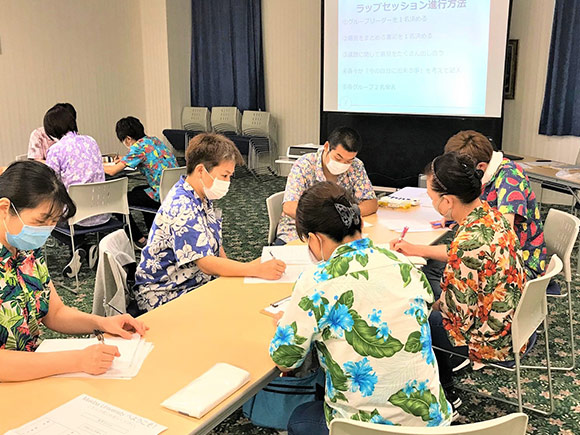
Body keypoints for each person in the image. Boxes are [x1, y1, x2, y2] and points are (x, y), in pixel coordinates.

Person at [270, 181, 452, 434]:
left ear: (315, 239)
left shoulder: (317, 281)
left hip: (362, 428)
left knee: (301, 419)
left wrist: (283, 326)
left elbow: (285, 361)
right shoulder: (404, 263)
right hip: (431, 423)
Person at [390, 153, 527, 407]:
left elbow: (457, 319)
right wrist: (417, 250)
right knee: (427, 287)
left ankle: (444, 392)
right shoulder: (490, 216)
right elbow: (462, 254)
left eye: (432, 199)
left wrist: (418, 303)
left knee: (410, 316)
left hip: (490, 339)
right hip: (514, 322)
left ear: (448, 202)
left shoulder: (467, 243)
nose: (433, 204)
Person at [0, 161, 148, 382]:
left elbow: (55, 313)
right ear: (5, 209)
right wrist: (77, 360)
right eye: (40, 221)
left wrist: (100, 323)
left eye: (52, 222)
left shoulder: (26, 251)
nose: (45, 231)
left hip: (34, 372)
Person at [134, 133, 286, 312]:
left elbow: (215, 246)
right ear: (200, 170)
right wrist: (252, 269)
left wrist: (236, 273)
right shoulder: (182, 205)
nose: (228, 182)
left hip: (192, 281)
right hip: (166, 292)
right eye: (224, 175)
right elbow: (205, 263)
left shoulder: (200, 195)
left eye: (230, 176)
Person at [445, 130, 546, 279]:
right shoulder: (489, 174)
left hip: (520, 266)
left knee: (444, 270)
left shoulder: (510, 177)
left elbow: (502, 234)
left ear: (481, 167)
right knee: (442, 267)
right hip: (499, 258)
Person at [275, 127, 377, 245]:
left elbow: (371, 202)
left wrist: (350, 213)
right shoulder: (304, 165)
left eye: (348, 161)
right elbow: (289, 206)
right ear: (327, 146)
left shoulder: (356, 166)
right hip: (300, 232)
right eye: (338, 157)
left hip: (339, 232)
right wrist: (330, 219)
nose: (343, 164)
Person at [44, 103, 110, 277]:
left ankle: (79, 246)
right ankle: (86, 247)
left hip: (76, 215)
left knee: (44, 217)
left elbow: (50, 181)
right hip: (103, 211)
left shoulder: (55, 150)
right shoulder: (91, 141)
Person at [104, 116, 178, 248]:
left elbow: (112, 171)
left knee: (116, 200)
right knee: (137, 192)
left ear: (128, 138)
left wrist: (93, 164)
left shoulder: (138, 148)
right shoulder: (153, 140)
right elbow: (145, 157)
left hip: (158, 194)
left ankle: (139, 239)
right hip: (173, 191)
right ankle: (153, 233)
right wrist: (124, 159)